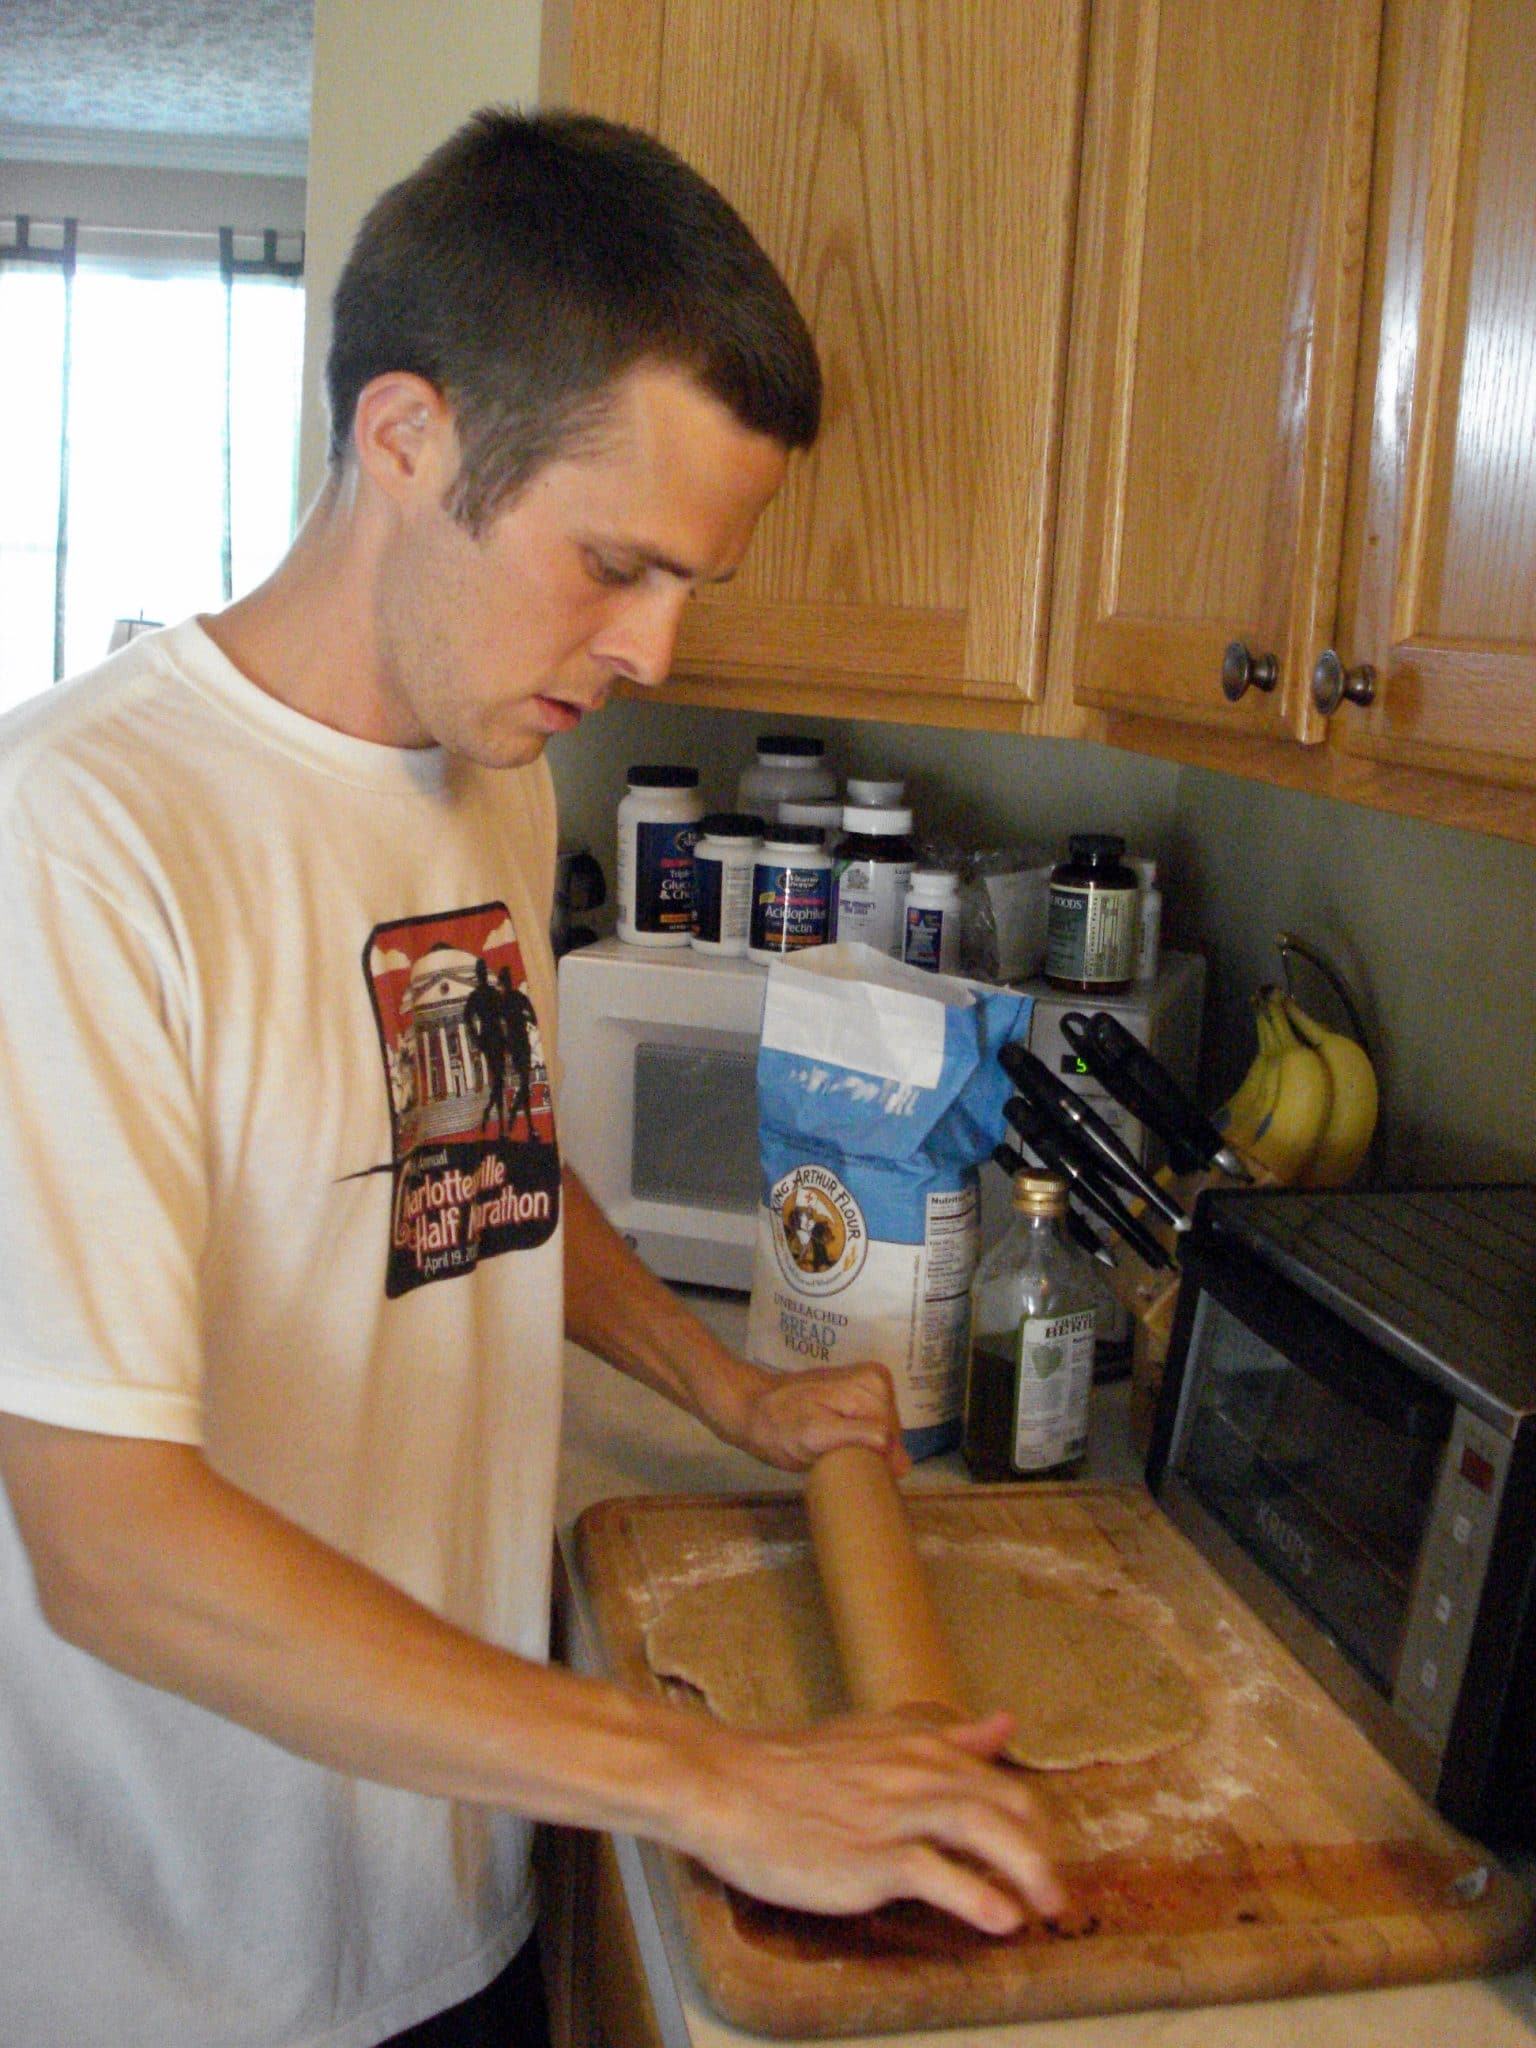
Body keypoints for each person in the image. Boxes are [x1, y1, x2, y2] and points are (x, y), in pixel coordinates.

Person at [0, 109, 1061, 2048]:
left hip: (459, 1865)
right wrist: (714, 1778)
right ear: (404, 439)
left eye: (687, 583)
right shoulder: (74, 835)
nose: (653, 645)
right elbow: (110, 1545)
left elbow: (472, 1165)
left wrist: (722, 1379)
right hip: (174, 1963)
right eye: (614, 563)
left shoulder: (496, 758)